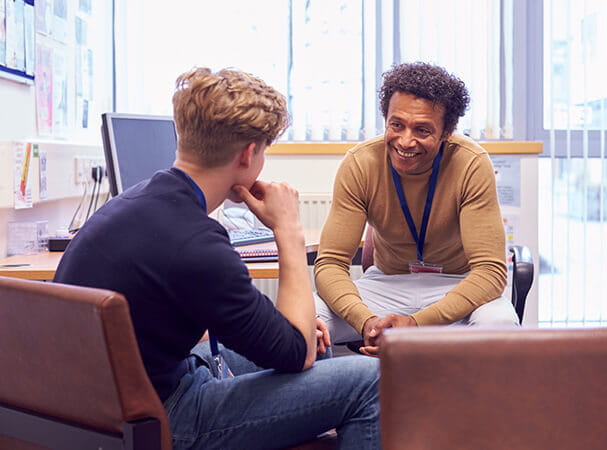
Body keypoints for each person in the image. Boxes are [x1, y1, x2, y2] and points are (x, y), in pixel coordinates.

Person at [54, 67, 380, 450]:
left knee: (322, 351)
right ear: (248, 154)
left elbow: (265, 331)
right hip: (163, 418)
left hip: (102, 406)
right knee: (373, 379)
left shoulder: (135, 202)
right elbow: (296, 354)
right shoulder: (197, 244)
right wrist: (288, 230)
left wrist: (296, 334)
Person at [314, 62, 518, 356]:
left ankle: (473, 403)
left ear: (446, 131)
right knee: (306, 317)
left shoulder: (471, 163)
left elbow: (490, 272)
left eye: (422, 129)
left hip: (456, 285)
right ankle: (337, 398)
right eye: (396, 125)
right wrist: (367, 322)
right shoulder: (361, 163)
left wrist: (417, 323)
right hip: (386, 286)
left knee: (500, 326)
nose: (405, 141)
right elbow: (330, 264)